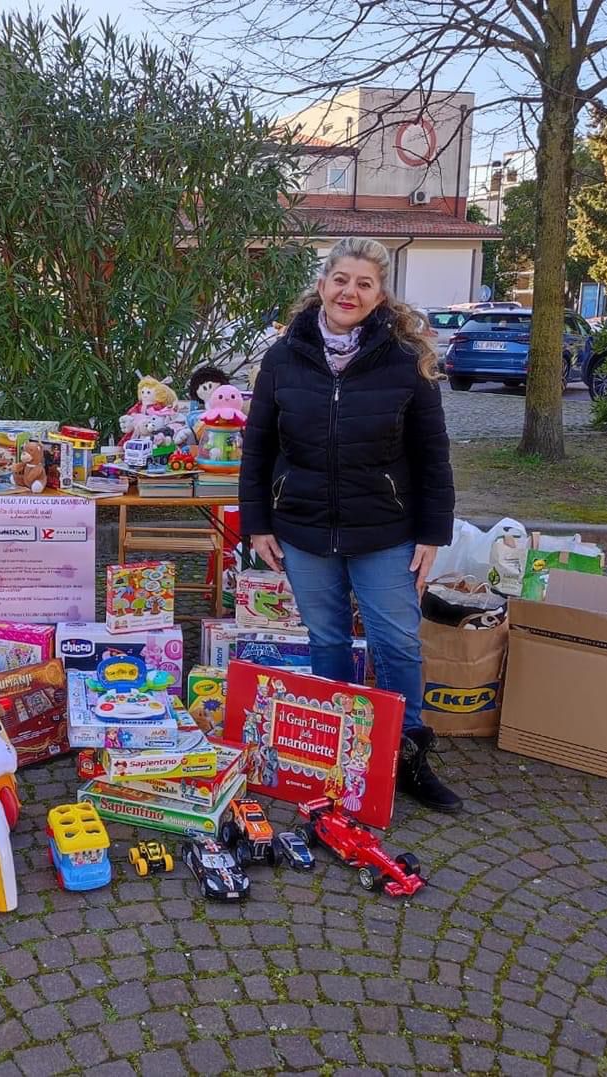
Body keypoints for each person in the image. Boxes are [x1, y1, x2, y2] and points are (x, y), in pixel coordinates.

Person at [239, 237, 461, 813]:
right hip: (304, 528)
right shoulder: (285, 356)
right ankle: (336, 753)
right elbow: (258, 446)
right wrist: (257, 522)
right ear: (322, 285)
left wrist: (433, 533)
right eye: (341, 279)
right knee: (328, 640)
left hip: (386, 530)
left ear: (380, 293)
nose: (350, 292)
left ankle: (407, 754)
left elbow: (432, 454)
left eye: (364, 283)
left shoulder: (404, 358)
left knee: (397, 642)